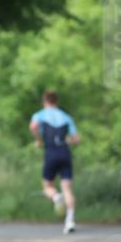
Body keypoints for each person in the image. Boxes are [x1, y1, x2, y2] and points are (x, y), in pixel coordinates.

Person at [29, 90, 80, 234]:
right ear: (56, 101)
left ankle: (56, 197)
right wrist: (66, 141)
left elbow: (33, 127)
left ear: (44, 101)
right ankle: (70, 221)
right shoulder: (66, 117)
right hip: (64, 152)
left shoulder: (40, 115)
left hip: (50, 152)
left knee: (47, 186)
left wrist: (39, 140)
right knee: (67, 188)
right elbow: (76, 139)